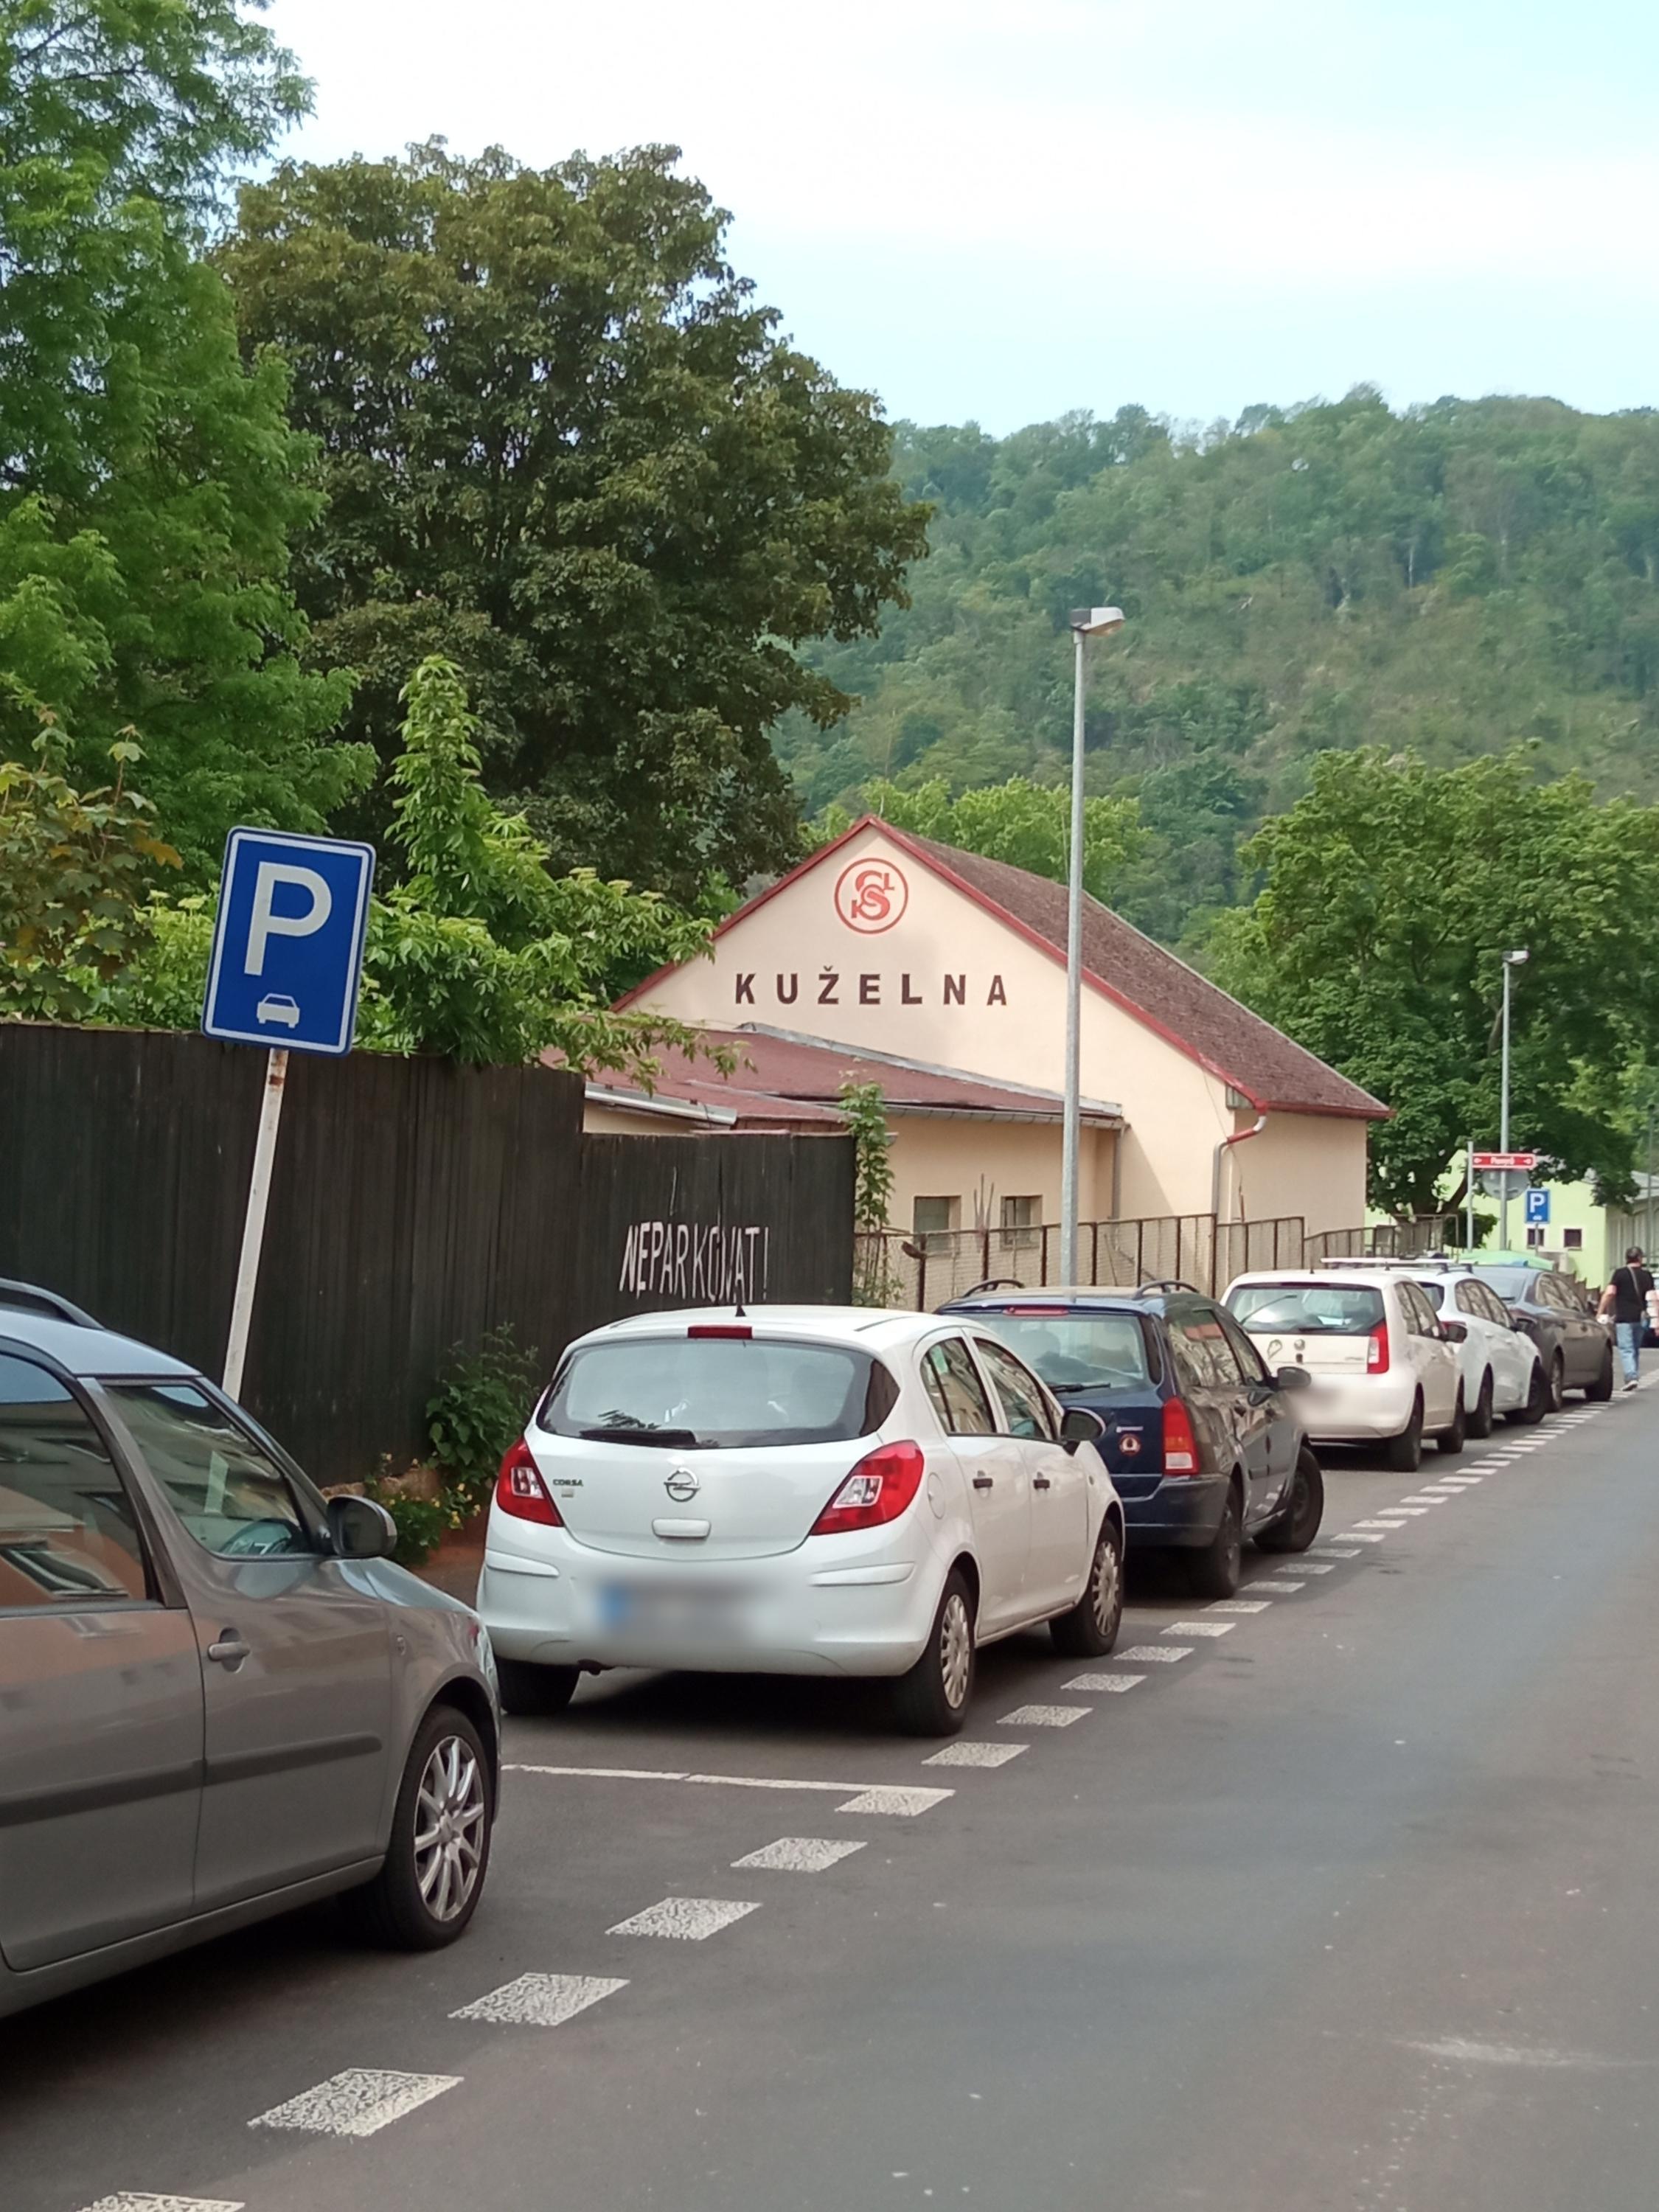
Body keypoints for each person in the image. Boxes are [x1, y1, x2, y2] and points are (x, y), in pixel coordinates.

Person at [1599, 1247, 1656, 1392]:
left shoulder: (1620, 1274)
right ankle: (1633, 1375)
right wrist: (1657, 1320)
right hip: (1641, 1318)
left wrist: (1600, 1311)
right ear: (1640, 1258)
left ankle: (1631, 1377)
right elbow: (1654, 1298)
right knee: (1635, 1348)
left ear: (1627, 1258)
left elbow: (1610, 1293)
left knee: (1626, 1349)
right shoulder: (1647, 1275)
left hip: (1624, 1318)